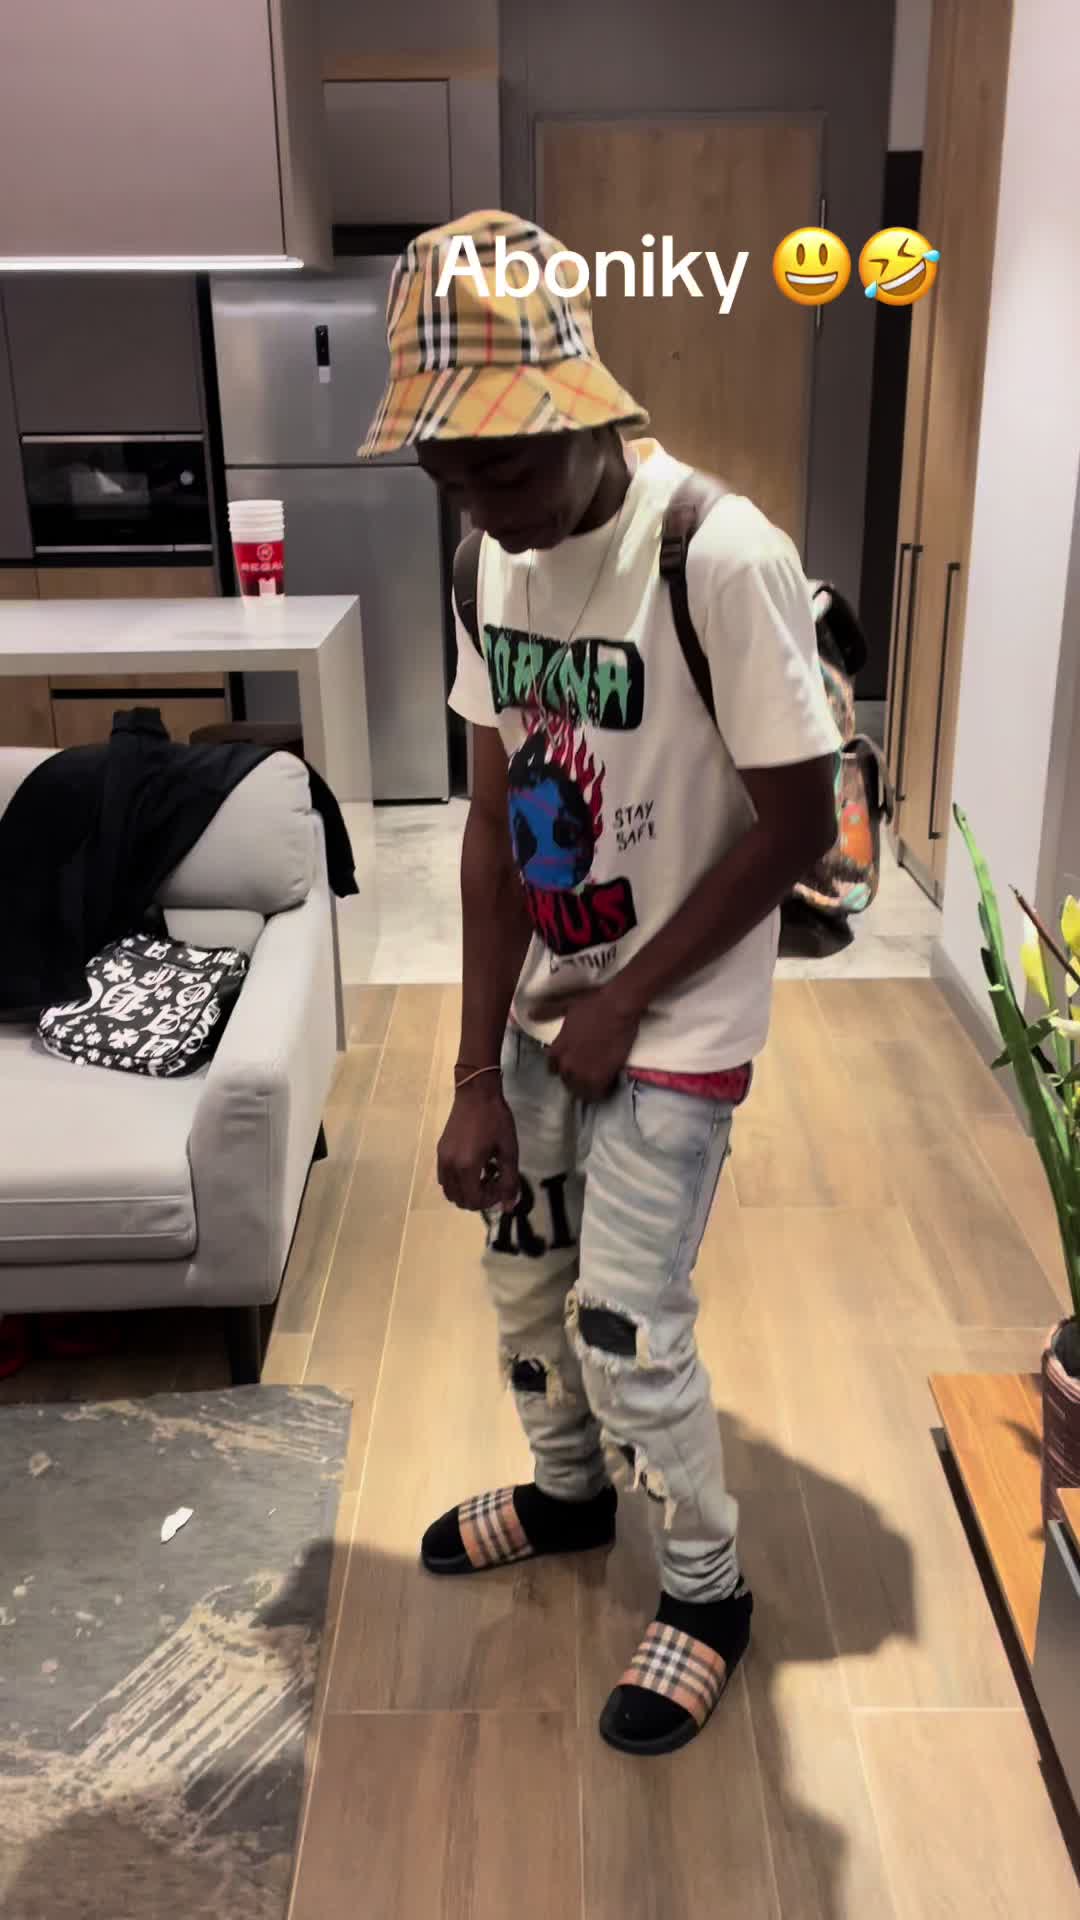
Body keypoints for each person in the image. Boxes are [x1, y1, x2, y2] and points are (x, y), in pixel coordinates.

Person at [359, 209, 840, 1755]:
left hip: (678, 1017)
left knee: (628, 1318)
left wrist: (630, 1002)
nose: (484, 512)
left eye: (502, 469)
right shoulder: (481, 569)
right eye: (449, 478)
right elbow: (492, 832)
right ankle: (570, 1498)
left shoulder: (716, 554)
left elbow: (801, 829)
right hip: (541, 1009)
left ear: (585, 408)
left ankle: (706, 1591)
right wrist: (468, 1073)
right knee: (520, 1279)